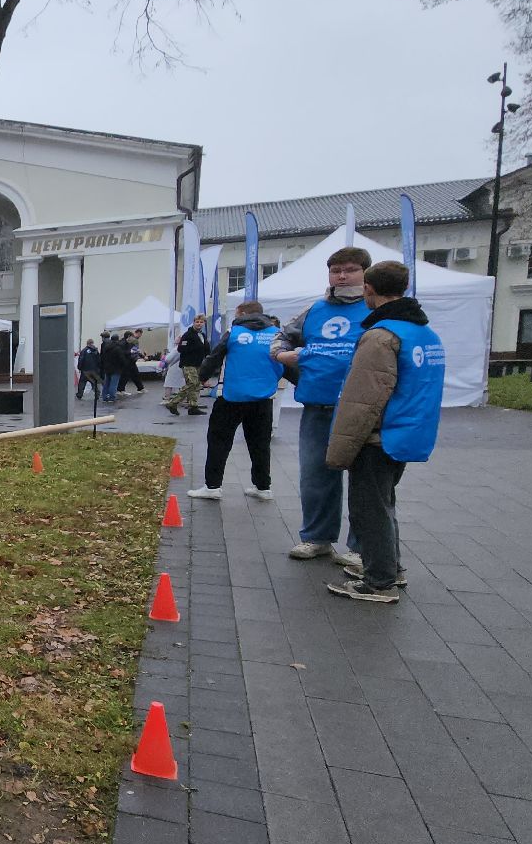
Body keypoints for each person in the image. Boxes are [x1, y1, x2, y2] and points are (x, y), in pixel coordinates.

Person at [324, 262, 444, 603]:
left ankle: (378, 582)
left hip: (379, 436)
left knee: (369, 509)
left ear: (369, 289)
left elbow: (362, 399)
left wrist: (341, 449)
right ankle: (390, 568)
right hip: (408, 432)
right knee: (385, 503)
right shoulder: (423, 333)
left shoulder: (381, 337)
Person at [271, 247, 371, 567]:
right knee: (315, 475)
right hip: (317, 404)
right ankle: (317, 538)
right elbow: (282, 340)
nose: (342, 276)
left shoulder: (376, 309)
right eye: (335, 270)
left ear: (365, 273)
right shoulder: (314, 310)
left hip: (360, 408)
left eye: (350, 269)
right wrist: (287, 357)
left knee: (364, 480)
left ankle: (360, 546)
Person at [188, 301, 283, 502]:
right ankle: (263, 487)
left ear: (242, 313)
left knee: (218, 441)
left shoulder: (234, 331)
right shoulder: (276, 333)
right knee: (260, 444)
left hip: (232, 396)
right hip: (263, 397)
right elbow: (286, 362)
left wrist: (202, 377)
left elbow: (215, 356)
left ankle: (213, 486)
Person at [165, 319, 211, 415]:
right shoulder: (187, 335)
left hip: (198, 363)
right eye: (197, 322)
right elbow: (181, 348)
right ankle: (173, 402)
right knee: (192, 384)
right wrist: (195, 348)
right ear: (193, 323)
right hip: (188, 363)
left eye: (201, 322)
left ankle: (193, 407)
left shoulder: (202, 335)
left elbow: (206, 349)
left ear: (204, 323)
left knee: (196, 385)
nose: (199, 324)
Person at [98, 332, 128, 403]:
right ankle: (112, 397)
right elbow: (122, 359)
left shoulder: (106, 347)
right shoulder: (118, 348)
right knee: (113, 384)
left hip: (107, 368)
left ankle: (105, 397)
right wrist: (124, 365)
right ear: (117, 340)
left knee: (106, 383)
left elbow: (102, 357)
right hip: (116, 369)